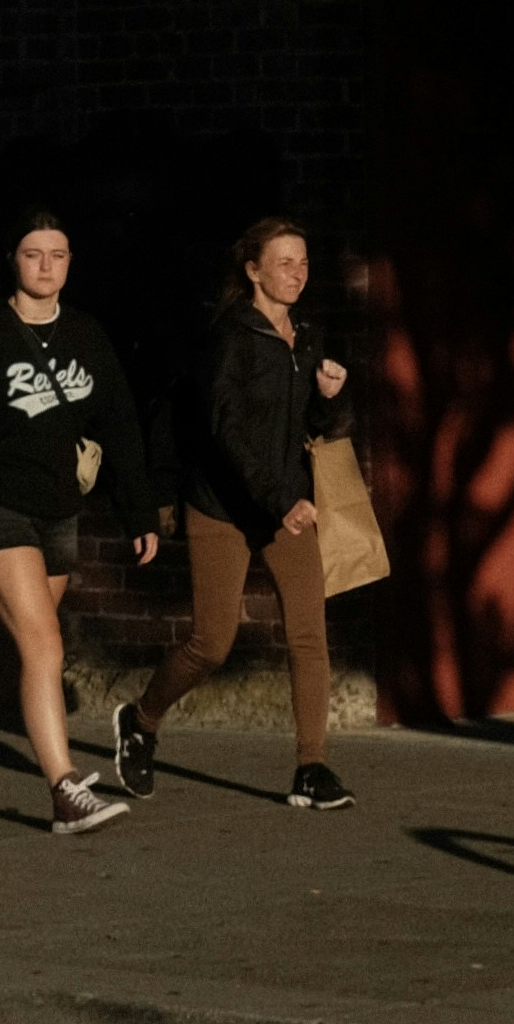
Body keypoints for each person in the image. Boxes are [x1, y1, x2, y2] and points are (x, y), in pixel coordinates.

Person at [0, 216, 158, 832]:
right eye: (33, 254)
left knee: (10, 651)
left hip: (58, 512)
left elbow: (119, 422)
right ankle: (65, 789)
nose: (46, 265)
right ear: (11, 262)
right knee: (43, 643)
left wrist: (138, 511)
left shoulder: (88, 335)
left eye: (59, 254)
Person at [118, 215, 355, 813]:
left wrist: (330, 399)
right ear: (253, 271)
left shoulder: (307, 336)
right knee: (211, 644)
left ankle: (311, 766)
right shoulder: (229, 339)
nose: (296, 273)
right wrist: (282, 500)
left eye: (303, 263)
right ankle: (141, 721)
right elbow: (229, 435)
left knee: (309, 636)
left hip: (284, 506)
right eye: (283, 263)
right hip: (224, 506)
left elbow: (316, 430)